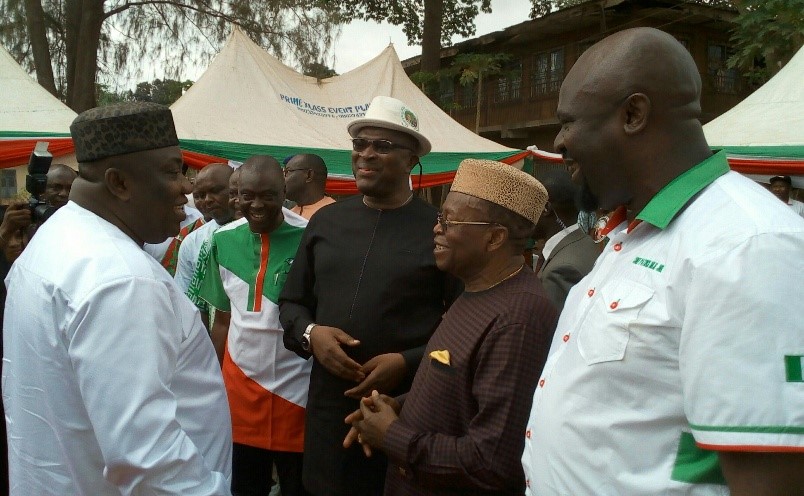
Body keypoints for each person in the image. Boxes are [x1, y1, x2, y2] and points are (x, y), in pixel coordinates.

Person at [521, 27, 804, 495]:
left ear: (633, 114)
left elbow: (773, 482)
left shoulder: (746, 245)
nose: (559, 142)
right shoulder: (634, 233)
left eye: (568, 123)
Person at [2, 102, 233, 495]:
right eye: (172, 171)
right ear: (119, 183)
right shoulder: (122, 280)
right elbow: (149, 462)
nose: (187, 187)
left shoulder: (56, 236)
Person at [279, 95, 460, 496]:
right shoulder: (326, 222)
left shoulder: (438, 231)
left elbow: (465, 329)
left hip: (406, 413)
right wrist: (312, 334)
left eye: (383, 146)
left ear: (411, 160)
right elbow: (291, 303)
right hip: (328, 414)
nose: (366, 154)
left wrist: (407, 361)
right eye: (360, 144)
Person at [345, 158, 558, 495]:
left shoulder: (519, 318)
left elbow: (491, 462)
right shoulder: (476, 288)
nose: (436, 229)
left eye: (449, 220)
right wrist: (399, 406)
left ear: (494, 238)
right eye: (438, 218)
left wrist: (392, 435)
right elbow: (459, 388)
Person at [198, 155, 310, 496]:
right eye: (247, 196)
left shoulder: (310, 237)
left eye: (268, 196)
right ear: (236, 195)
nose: (256, 205)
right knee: (245, 486)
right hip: (240, 389)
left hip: (298, 390)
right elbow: (222, 320)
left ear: (285, 192)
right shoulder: (220, 240)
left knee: (299, 486)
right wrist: (212, 383)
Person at [534, 168, 600, 311]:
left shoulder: (560, 271)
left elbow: (555, 324)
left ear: (546, 208)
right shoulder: (586, 241)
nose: (525, 214)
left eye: (529, 205)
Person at [175, 163, 234, 294]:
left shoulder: (259, 233)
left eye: (215, 191)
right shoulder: (191, 241)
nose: (207, 200)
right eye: (199, 196)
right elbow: (183, 294)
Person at [284, 154, 336, 220]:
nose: (282, 178)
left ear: (309, 175)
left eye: (287, 172)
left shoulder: (334, 214)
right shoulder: (288, 216)